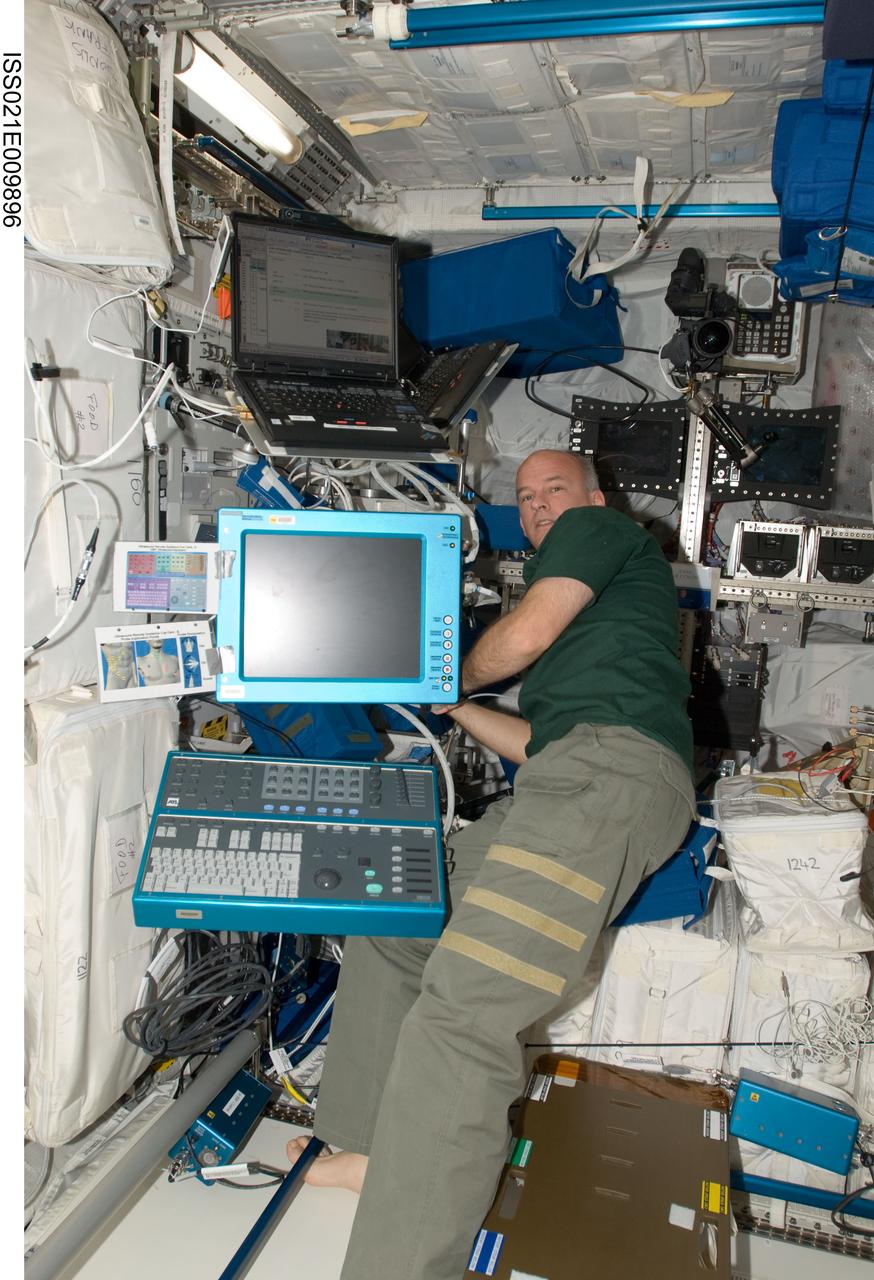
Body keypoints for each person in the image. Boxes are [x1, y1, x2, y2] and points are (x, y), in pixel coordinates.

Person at [287, 448, 696, 1280]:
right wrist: (457, 706)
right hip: (568, 778)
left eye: (557, 490)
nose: (542, 506)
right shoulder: (602, 634)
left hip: (606, 784)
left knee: (465, 1016)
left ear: (595, 497)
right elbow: (540, 743)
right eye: (527, 498)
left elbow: (526, 636)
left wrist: (442, 667)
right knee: (399, 926)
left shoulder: (600, 533)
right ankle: (371, 1152)